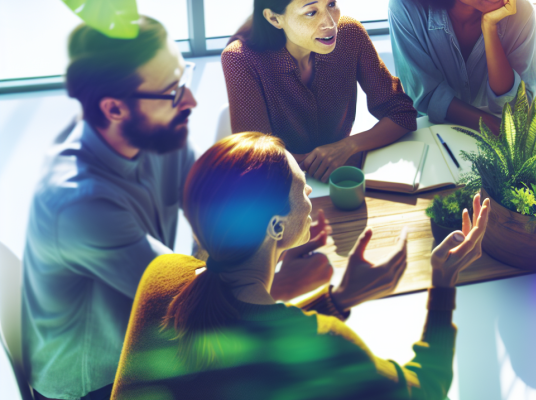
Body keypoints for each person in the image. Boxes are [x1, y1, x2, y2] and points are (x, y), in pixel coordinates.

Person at [22, 17, 332, 400]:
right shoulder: (79, 205)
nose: (189, 101)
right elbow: (184, 303)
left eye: (182, 78)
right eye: (171, 91)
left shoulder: (150, 137)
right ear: (114, 108)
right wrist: (280, 280)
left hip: (159, 335)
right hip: (105, 382)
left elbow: (214, 215)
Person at [110, 132, 491, 399]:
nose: (309, 189)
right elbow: (426, 390)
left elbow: (244, 344)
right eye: (299, 183)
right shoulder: (328, 344)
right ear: (275, 225)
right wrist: (443, 283)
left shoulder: (164, 275)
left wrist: (337, 300)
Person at [222, 0, 418, 183]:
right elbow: (255, 157)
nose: (330, 22)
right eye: (311, 12)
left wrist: (347, 147)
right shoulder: (240, 59)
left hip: (341, 181)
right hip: (279, 189)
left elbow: (401, 113)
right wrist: (326, 159)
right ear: (274, 18)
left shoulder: (351, 34)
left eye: (331, 4)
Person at [388, 0, 536, 135]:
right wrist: (490, 125)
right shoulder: (404, 7)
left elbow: (518, 107)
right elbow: (425, 96)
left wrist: (489, 28)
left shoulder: (521, 12)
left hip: (497, 148)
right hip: (431, 138)